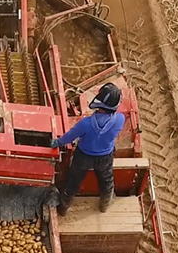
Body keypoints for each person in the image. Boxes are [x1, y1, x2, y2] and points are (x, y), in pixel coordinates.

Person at [51, 83, 124, 216]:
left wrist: (57, 142)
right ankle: (104, 205)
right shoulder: (120, 119)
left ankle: (63, 209)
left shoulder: (86, 123)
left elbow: (69, 137)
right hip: (105, 157)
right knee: (106, 181)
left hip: (83, 156)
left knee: (73, 181)